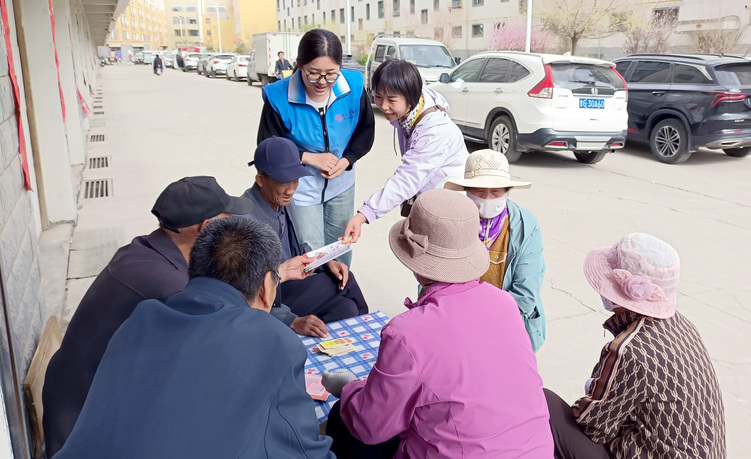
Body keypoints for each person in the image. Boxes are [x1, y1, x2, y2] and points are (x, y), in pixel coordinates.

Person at [42, 176, 313, 456]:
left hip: (80, 401)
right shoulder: (171, 288)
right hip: (83, 420)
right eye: (227, 217)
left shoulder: (146, 251)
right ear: (208, 227)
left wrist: (276, 275)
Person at [321, 189, 554, 459]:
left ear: (415, 261)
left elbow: (370, 426)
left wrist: (349, 388)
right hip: (536, 452)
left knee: (343, 419)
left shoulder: (406, 333)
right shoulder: (505, 304)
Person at [544, 233, 726, 459]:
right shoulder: (682, 325)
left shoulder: (630, 350)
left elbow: (594, 427)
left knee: (546, 402)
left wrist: (595, 389)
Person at [258, 29, 375, 267]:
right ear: (300, 65)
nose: (322, 82)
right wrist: (308, 158)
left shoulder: (353, 86)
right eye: (313, 74)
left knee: (340, 249)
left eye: (331, 75)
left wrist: (347, 160)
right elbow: (267, 146)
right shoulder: (279, 96)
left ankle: (340, 299)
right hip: (301, 188)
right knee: (310, 255)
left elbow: (366, 130)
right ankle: (314, 300)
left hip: (342, 183)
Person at [239, 137, 369, 336]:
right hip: (272, 296)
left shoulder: (285, 201)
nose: (291, 189)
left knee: (346, 309)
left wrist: (326, 261)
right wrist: (290, 320)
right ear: (260, 179)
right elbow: (246, 294)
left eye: (295, 180)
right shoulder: (244, 220)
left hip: (295, 284)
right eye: (283, 182)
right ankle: (370, 335)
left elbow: (300, 247)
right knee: (343, 281)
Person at [344, 59, 468, 242]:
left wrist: (365, 214)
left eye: (391, 99)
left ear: (410, 97)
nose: (383, 106)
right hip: (430, 202)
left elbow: (408, 178)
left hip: (450, 211)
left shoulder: (435, 130)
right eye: (378, 96)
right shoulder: (411, 111)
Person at [444, 149, 546, 352]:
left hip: (507, 322)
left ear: (507, 191)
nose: (487, 198)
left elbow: (525, 294)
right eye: (479, 191)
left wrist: (483, 322)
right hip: (457, 323)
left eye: (496, 191)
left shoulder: (526, 226)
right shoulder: (450, 220)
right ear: (467, 191)